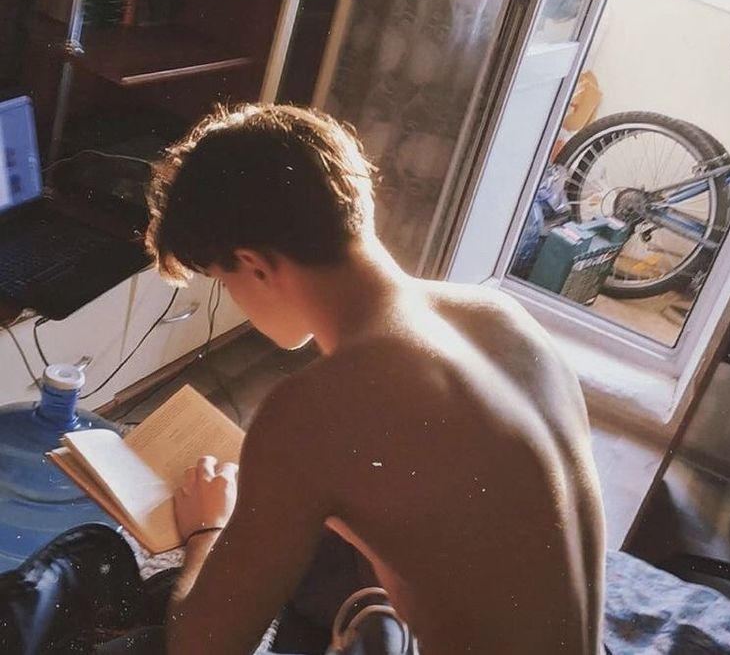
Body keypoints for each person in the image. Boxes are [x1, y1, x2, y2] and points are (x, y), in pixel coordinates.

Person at [140, 102, 608, 654]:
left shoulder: (310, 413)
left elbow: (202, 648)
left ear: (255, 265)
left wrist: (206, 534)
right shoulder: (500, 316)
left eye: (225, 282)